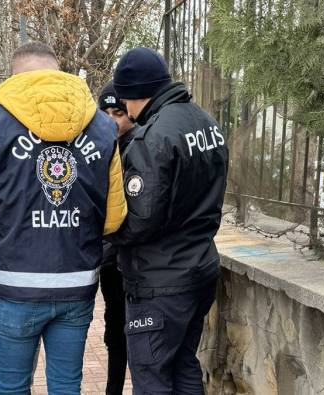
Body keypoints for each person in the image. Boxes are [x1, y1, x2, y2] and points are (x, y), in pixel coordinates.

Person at [0, 41, 127, 394]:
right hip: (76, 282)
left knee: (12, 387)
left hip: (13, 283)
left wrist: (14, 214)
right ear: (57, 72)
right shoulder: (103, 129)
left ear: (17, 77)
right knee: (66, 386)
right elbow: (113, 219)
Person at [110, 47, 229, 394]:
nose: (126, 110)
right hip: (200, 268)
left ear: (135, 93)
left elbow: (139, 220)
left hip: (160, 282)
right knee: (183, 364)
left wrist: (107, 230)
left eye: (124, 100)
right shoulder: (206, 122)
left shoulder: (153, 138)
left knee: (152, 376)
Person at [97, 80, 135, 395]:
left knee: (134, 333)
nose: (111, 119)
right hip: (108, 261)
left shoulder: (140, 148)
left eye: (118, 112)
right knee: (113, 332)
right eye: (105, 112)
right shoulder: (96, 150)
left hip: (133, 261)